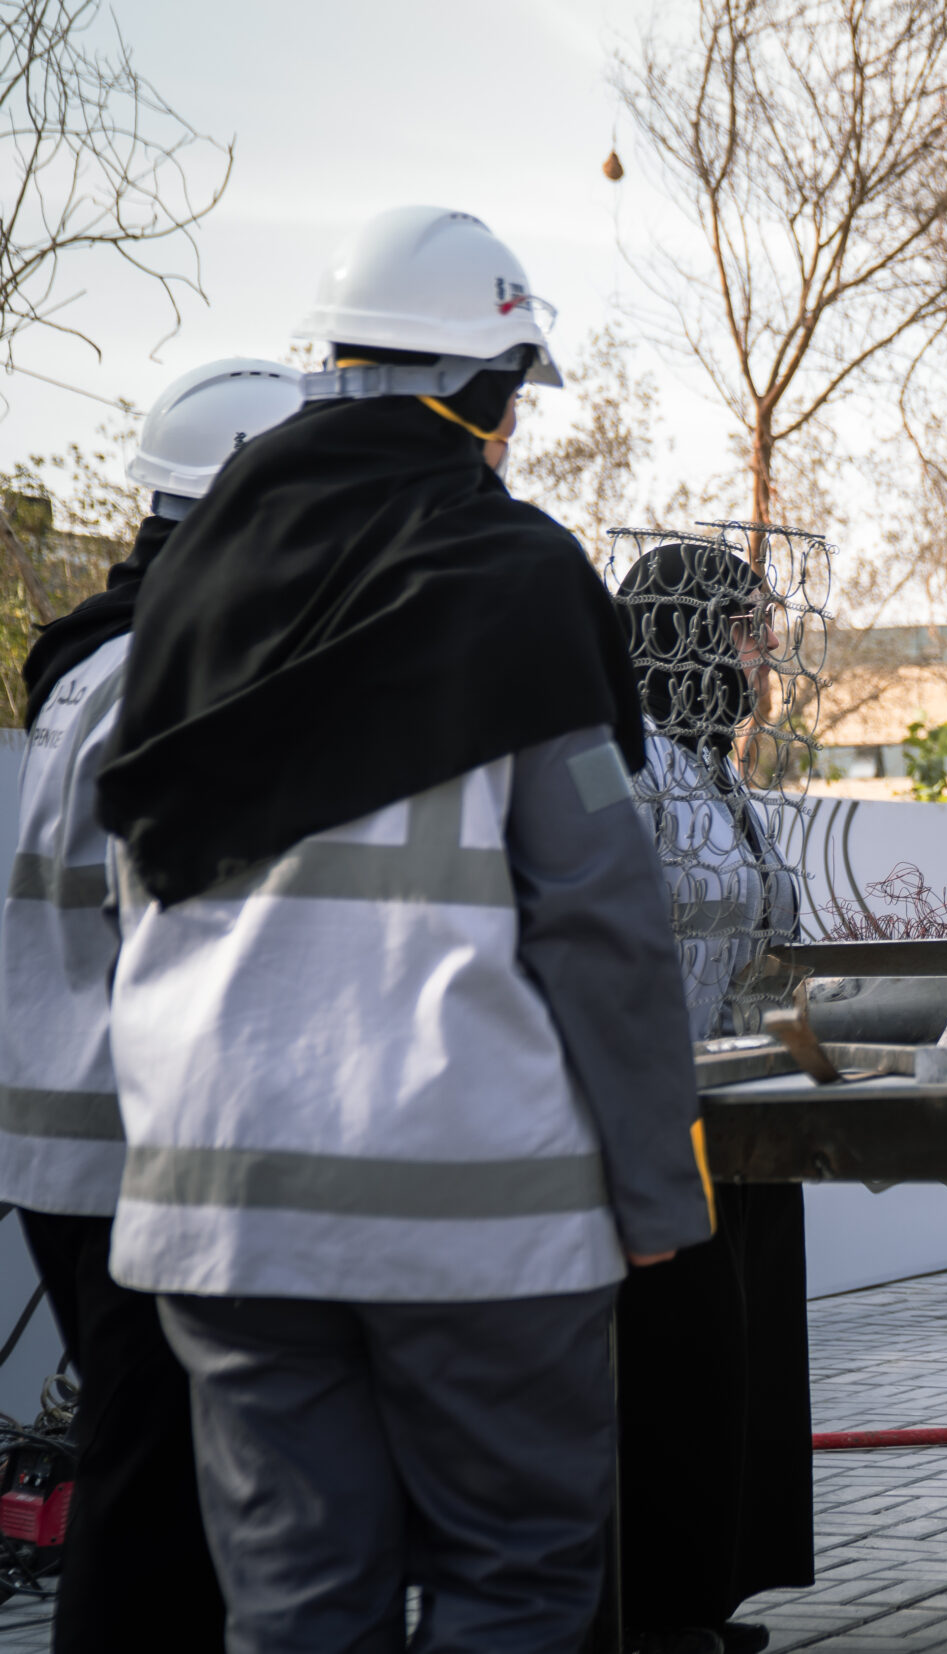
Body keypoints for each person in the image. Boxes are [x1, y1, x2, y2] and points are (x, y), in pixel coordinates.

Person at [91, 205, 710, 1653]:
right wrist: (657, 1196)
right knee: (515, 1581)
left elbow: (139, 870)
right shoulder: (515, 578)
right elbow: (601, 916)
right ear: (486, 393)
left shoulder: (188, 585)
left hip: (221, 1201)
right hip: (468, 1205)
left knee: (299, 1605)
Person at [0, 359, 301, 1651]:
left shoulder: (95, 654)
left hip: (72, 1138)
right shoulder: (175, 666)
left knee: (155, 1494)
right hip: (142, 1148)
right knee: (152, 1515)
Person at [612, 539, 815, 1654]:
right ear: (686, 630)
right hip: (659, 1117)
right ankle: (651, 1610)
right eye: (746, 629)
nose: (765, 652)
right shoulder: (624, 764)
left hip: (739, 1113)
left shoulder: (716, 768)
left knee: (735, 1359)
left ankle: (702, 1597)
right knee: (672, 1363)